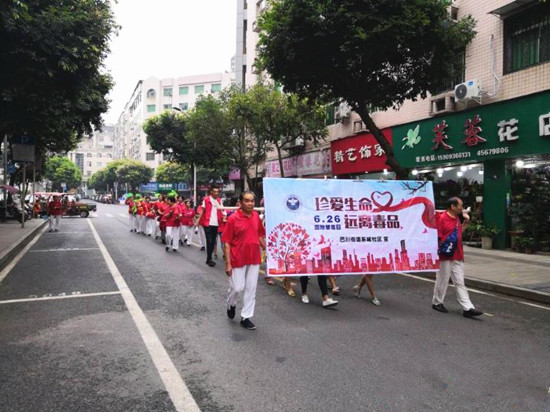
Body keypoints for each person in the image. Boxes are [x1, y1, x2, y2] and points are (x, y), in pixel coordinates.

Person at [432, 197, 483, 318]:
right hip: (445, 255)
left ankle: (468, 307)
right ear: (453, 207)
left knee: (460, 282)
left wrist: (465, 221)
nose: (462, 207)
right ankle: (437, 302)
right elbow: (437, 237)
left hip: (457, 254)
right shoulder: (442, 218)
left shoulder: (456, 219)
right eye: (460, 205)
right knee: (442, 280)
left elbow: (458, 234)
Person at [222, 191, 265, 330]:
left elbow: (259, 236)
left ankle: (246, 317)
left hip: (254, 258)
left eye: (252, 201)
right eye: (247, 201)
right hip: (237, 258)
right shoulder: (233, 219)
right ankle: (231, 302)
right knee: (237, 287)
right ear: (240, 202)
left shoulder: (256, 217)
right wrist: (228, 264)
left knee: (251, 288)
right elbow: (226, 242)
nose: (250, 203)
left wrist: (269, 250)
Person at [196, 186, 223, 267]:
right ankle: (209, 258)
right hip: (207, 223)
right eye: (215, 191)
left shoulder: (219, 200)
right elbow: (202, 210)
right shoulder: (206, 199)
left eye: (218, 192)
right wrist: (198, 220)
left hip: (216, 223)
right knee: (209, 240)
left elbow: (222, 210)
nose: (216, 193)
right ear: (211, 192)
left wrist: (224, 217)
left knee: (213, 241)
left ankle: (209, 258)